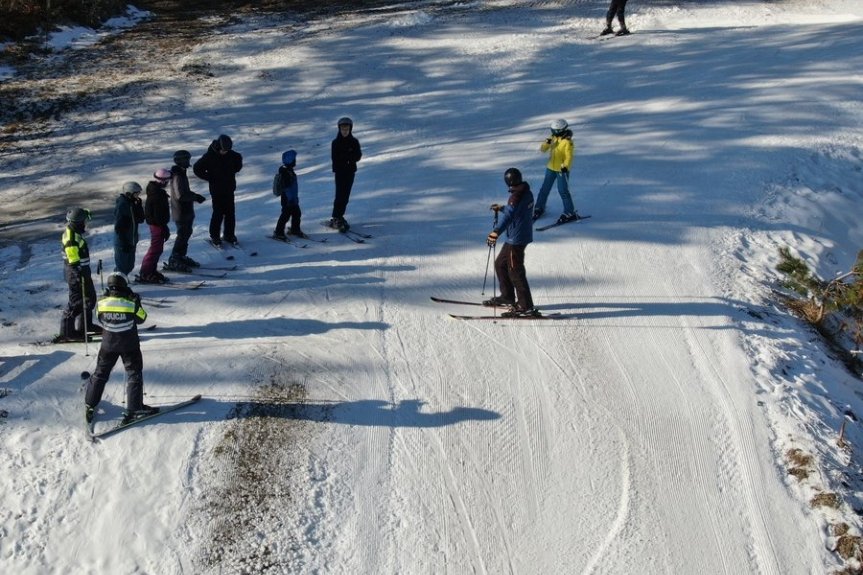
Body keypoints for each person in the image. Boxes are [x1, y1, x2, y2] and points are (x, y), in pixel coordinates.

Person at [84, 272, 158, 425]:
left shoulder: (102, 303)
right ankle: (134, 408)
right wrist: (137, 301)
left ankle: (90, 403)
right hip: (129, 345)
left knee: (100, 373)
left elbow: (99, 317)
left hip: (108, 345)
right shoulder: (130, 304)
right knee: (134, 374)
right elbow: (142, 318)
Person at [484, 168, 540, 318]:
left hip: (516, 239)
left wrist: (495, 232)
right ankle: (507, 296)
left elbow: (509, 217)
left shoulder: (515, 197)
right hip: (517, 237)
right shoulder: (526, 192)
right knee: (500, 264)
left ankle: (525, 306)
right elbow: (514, 211)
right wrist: (502, 208)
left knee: (515, 271)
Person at [193, 134, 243, 246]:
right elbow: (197, 168)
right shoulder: (209, 156)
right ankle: (215, 236)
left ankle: (229, 235)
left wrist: (234, 169)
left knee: (230, 213)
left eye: (227, 150)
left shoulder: (231, 154)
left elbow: (238, 159)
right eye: (223, 150)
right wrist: (210, 177)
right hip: (216, 190)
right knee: (218, 213)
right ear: (218, 147)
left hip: (229, 188)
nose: (225, 152)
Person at [58, 207, 99, 341]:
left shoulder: (75, 233)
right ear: (77, 222)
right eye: (84, 221)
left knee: (90, 299)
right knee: (75, 303)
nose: (86, 224)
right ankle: (67, 332)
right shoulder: (71, 239)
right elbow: (73, 261)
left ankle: (85, 326)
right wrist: (78, 276)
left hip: (83, 273)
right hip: (76, 274)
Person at [165, 150, 206, 272]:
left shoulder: (181, 172)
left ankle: (180, 256)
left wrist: (194, 196)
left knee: (186, 233)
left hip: (185, 210)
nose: (188, 161)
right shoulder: (178, 175)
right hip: (181, 211)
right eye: (186, 159)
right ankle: (174, 258)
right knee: (182, 234)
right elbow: (180, 195)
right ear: (180, 161)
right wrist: (195, 197)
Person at [533, 118, 578, 225]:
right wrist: (547, 143)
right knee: (544, 189)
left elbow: (569, 156)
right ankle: (539, 207)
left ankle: (569, 212)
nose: (552, 132)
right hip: (551, 168)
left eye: (554, 131)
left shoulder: (567, 142)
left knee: (563, 191)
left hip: (561, 170)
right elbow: (543, 149)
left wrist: (565, 166)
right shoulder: (553, 137)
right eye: (552, 130)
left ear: (560, 130)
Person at [137, 169, 172, 283]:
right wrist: (162, 226)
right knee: (155, 249)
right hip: (157, 225)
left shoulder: (157, 191)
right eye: (167, 180)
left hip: (159, 224)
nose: (168, 182)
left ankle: (151, 270)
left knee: (158, 249)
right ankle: (145, 272)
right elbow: (156, 214)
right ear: (162, 181)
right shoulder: (156, 194)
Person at [329, 117, 362, 232]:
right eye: (343, 129)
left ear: (350, 129)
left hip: (350, 172)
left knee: (346, 196)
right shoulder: (335, 143)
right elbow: (335, 158)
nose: (345, 131)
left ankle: (340, 215)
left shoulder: (354, 142)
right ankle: (336, 216)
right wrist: (348, 156)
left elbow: (358, 156)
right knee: (339, 195)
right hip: (340, 172)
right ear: (339, 129)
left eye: (347, 129)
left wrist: (348, 157)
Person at [113, 181, 145, 275]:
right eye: (137, 193)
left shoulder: (132, 204)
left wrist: (139, 206)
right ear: (129, 193)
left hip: (131, 238)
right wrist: (124, 242)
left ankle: (123, 280)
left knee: (129, 265)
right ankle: (117, 282)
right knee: (122, 266)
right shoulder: (123, 205)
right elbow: (119, 227)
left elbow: (141, 219)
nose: (138, 195)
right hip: (123, 240)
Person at [272, 149, 304, 239]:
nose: (295, 161)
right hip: (288, 199)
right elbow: (287, 188)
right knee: (285, 215)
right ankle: (278, 232)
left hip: (292, 199)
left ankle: (295, 229)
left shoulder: (289, 171)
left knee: (297, 213)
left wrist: (295, 198)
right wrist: (290, 199)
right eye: (294, 160)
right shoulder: (286, 173)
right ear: (290, 161)